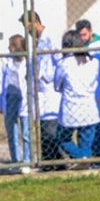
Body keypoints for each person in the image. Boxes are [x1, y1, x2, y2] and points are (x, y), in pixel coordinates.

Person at [22, 11, 63, 169]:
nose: (29, 33)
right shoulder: (39, 42)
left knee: (50, 128)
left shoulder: (50, 38)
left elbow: (59, 62)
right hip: (41, 92)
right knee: (44, 127)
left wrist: (48, 77)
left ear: (35, 23)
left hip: (50, 90)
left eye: (29, 28)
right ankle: (49, 161)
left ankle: (54, 161)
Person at [53, 30, 100, 161]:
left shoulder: (64, 63)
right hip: (89, 108)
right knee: (86, 141)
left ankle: (82, 157)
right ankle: (85, 159)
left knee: (62, 138)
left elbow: (57, 85)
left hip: (71, 108)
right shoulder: (93, 62)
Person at [0, 33, 32, 168]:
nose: (9, 49)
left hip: (24, 98)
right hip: (10, 97)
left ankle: (27, 159)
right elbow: (1, 81)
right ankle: (15, 160)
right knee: (12, 131)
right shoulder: (7, 61)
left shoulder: (28, 61)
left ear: (17, 47)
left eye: (11, 46)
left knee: (26, 132)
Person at [78, 19, 100, 164]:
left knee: (96, 127)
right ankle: (88, 158)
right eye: (81, 36)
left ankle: (98, 160)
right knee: (86, 127)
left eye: (85, 35)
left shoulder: (99, 45)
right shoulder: (81, 46)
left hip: (98, 90)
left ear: (90, 31)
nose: (83, 38)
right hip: (86, 91)